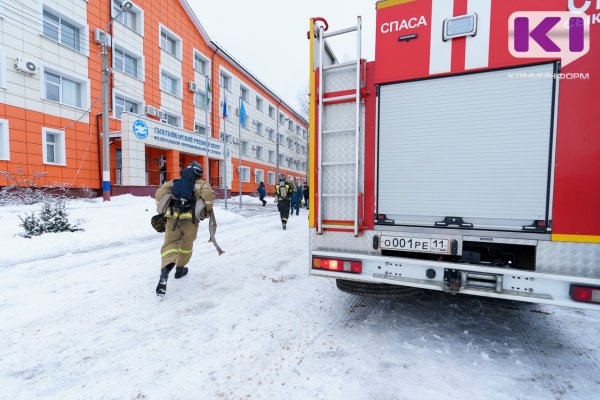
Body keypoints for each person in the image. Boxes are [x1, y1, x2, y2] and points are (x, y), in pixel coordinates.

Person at [154, 161, 216, 296]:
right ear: (199, 172)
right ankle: (180, 269)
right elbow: (209, 197)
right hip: (190, 221)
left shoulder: (174, 182)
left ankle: (164, 274)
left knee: (170, 245)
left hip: (172, 219)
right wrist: (206, 211)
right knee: (186, 246)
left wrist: (164, 209)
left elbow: (159, 194)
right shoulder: (202, 184)